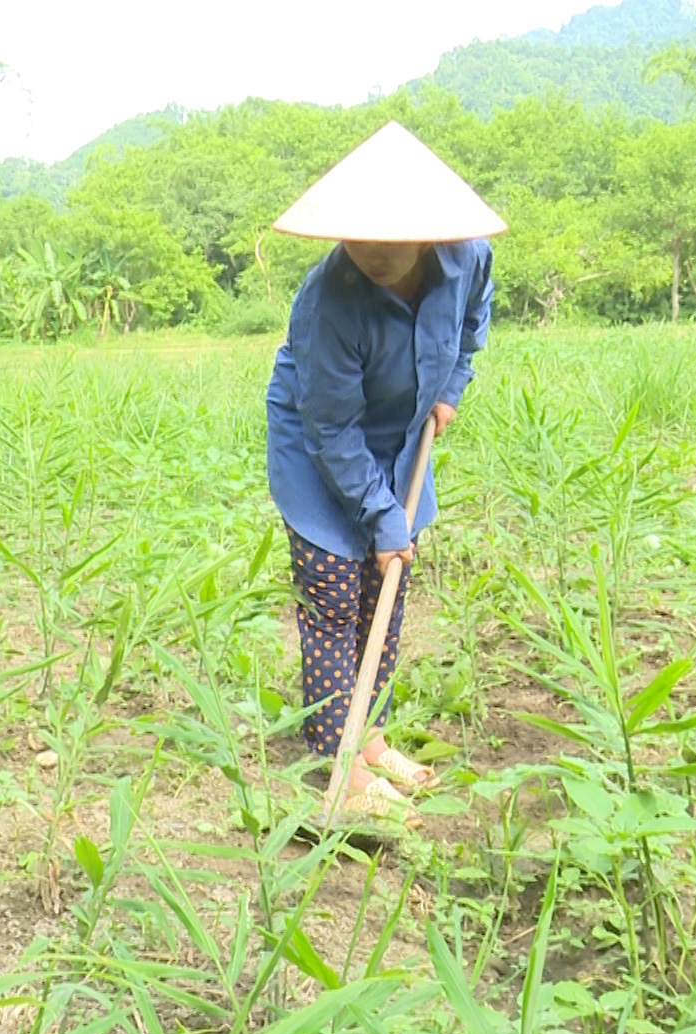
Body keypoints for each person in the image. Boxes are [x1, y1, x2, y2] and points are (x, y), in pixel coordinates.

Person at [264, 122, 504, 822]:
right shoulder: (328, 301)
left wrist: (451, 388)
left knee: (386, 588)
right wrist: (381, 514)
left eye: (388, 236)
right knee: (337, 594)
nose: (369, 252)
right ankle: (337, 755)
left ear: (429, 231)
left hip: (401, 436)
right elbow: (331, 428)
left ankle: (370, 740)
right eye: (356, 235)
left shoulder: (468, 259)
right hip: (321, 443)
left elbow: (472, 326)